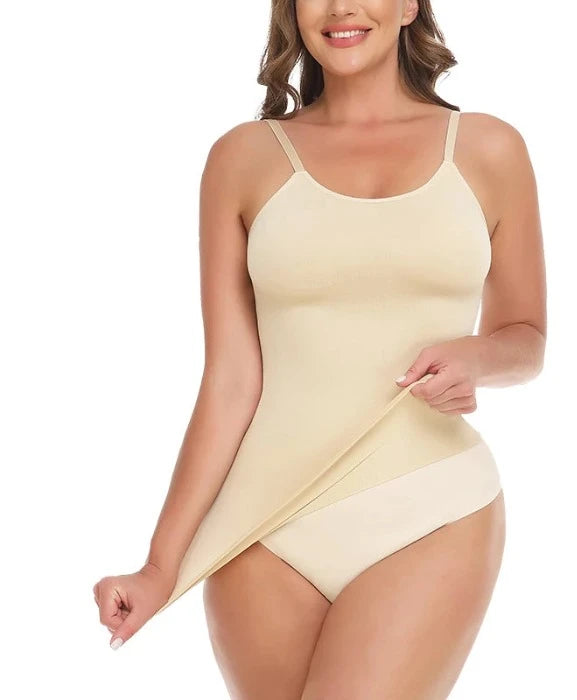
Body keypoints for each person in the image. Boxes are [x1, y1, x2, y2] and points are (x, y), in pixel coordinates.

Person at [93, 0, 546, 697]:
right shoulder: (242, 158)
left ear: (409, 5)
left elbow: (526, 337)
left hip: (429, 505)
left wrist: (476, 357)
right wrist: (159, 565)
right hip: (263, 527)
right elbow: (230, 379)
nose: (339, 7)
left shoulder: (488, 148)